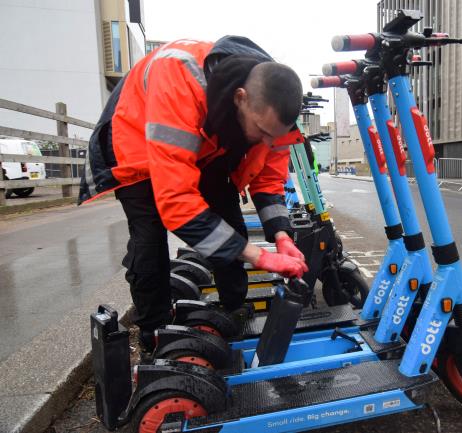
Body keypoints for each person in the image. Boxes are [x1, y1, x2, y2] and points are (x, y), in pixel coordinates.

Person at [79, 36, 308, 352]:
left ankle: (234, 307)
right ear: (240, 98)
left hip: (202, 147)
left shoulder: (275, 112)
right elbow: (177, 203)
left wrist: (282, 237)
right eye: (263, 133)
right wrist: (260, 256)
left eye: (275, 137)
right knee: (150, 239)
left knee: (227, 214)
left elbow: (269, 181)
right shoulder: (179, 78)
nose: (268, 143)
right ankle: (154, 334)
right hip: (136, 147)